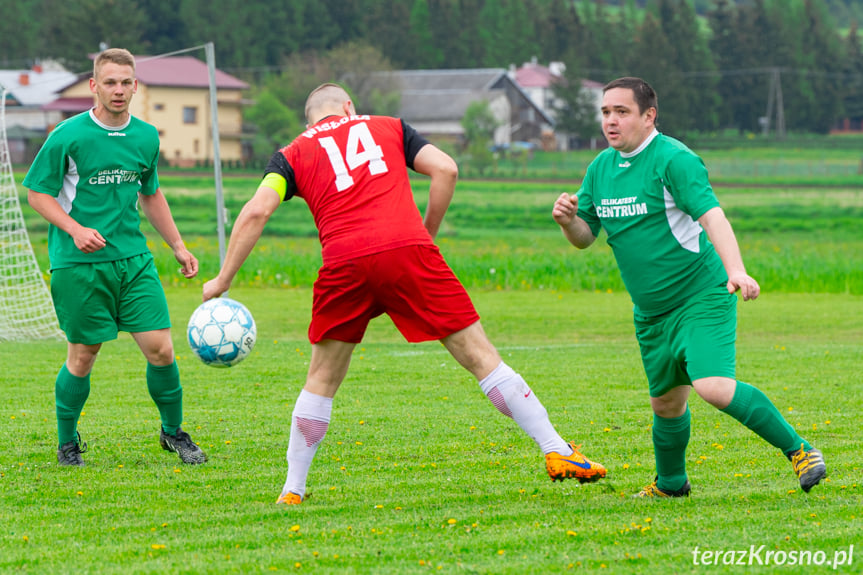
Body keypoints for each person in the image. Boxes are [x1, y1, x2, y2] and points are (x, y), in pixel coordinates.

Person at [202, 83, 606, 505]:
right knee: (481, 356)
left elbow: (256, 210)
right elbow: (446, 169)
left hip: (344, 262)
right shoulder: (390, 127)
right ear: (349, 108)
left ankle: (293, 489)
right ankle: (558, 451)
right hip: (407, 250)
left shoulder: (292, 153)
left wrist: (223, 279)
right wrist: (425, 234)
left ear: (310, 122)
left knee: (321, 378)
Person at [552, 77, 826, 497]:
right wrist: (569, 220)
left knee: (712, 386)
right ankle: (672, 484)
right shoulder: (600, 169)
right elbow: (586, 237)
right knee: (666, 404)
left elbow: (713, 217)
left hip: (701, 295)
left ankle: (801, 451)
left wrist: (737, 270)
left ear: (649, 116)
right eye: (606, 112)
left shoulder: (674, 159)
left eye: (621, 112)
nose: (610, 121)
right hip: (651, 313)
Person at [25, 48, 207, 467]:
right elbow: (37, 193)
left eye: (126, 82)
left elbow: (151, 192)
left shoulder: (146, 136)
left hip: (134, 259)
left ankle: (173, 433)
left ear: (136, 86)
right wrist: (75, 229)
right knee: (83, 354)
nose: (119, 90)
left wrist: (177, 245)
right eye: (110, 82)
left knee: (161, 349)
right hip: (78, 264)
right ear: (94, 86)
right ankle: (67, 442)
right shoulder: (68, 135)